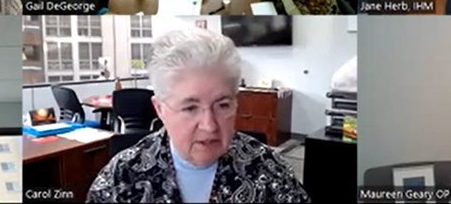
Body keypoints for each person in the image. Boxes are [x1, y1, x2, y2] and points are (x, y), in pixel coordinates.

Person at [87, 28, 310, 203]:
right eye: (190, 108)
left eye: (222, 105)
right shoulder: (121, 177)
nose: (209, 126)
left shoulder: (270, 170)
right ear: (160, 109)